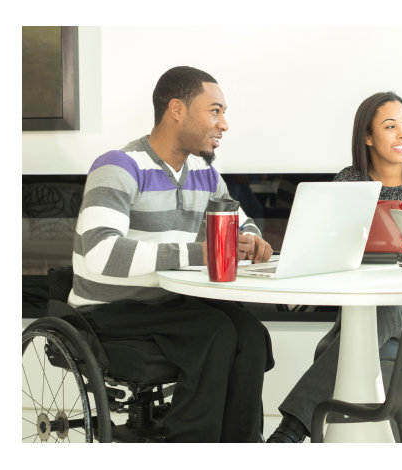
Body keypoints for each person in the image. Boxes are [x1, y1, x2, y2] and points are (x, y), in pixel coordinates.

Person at [68, 66, 275, 442]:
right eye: (215, 111)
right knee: (213, 332)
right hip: (108, 309)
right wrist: (202, 253)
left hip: (169, 304)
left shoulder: (204, 173)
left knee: (250, 333)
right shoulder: (119, 166)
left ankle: (242, 445)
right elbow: (100, 253)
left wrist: (251, 240)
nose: (224, 124)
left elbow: (240, 222)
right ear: (177, 109)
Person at [266, 91, 402, 443]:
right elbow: (333, 254)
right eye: (390, 127)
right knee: (379, 357)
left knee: (366, 326)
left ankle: (291, 429)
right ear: (368, 137)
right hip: (367, 305)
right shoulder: (350, 180)